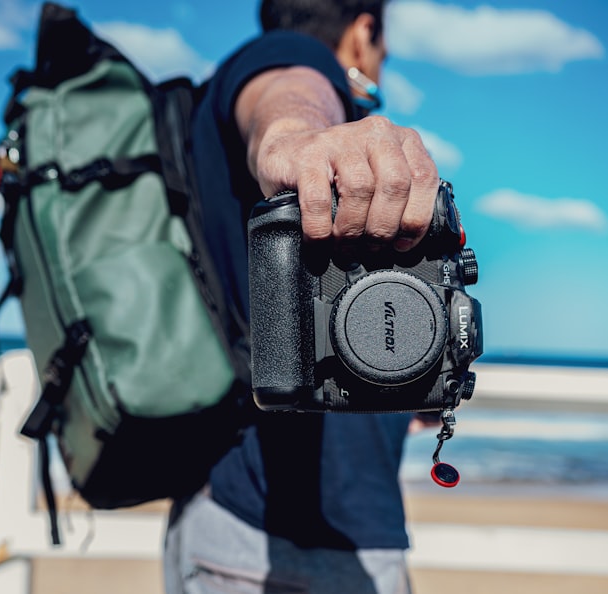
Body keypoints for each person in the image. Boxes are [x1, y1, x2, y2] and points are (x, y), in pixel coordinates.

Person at [164, 1, 440, 592]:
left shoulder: (229, 88)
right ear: (365, 31)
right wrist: (299, 141)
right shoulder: (288, 63)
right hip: (264, 527)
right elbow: (289, 98)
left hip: (300, 522)